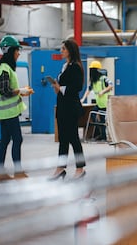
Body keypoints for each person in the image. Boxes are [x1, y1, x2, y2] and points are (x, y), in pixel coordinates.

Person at [0, 35, 34, 183]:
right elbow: (5, 90)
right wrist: (21, 90)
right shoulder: (4, 68)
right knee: (17, 138)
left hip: (5, 111)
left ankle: (0, 173)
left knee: (5, 140)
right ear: (10, 51)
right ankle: (17, 171)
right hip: (7, 112)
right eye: (17, 50)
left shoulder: (6, 68)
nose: (18, 53)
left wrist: (21, 92)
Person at [49, 39, 86, 180]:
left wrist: (61, 88)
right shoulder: (65, 66)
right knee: (63, 139)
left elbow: (77, 87)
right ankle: (60, 168)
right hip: (63, 106)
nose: (61, 51)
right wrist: (57, 88)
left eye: (63, 49)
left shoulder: (75, 66)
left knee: (73, 139)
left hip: (70, 108)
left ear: (70, 50)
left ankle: (80, 168)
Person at [80, 61, 113, 140]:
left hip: (104, 104)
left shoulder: (103, 78)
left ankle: (103, 136)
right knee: (92, 115)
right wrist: (83, 99)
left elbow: (111, 85)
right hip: (98, 103)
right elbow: (88, 90)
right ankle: (99, 133)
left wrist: (103, 91)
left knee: (102, 119)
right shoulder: (93, 81)